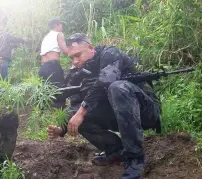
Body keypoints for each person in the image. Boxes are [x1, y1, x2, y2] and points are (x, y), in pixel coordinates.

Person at [46, 33, 161, 179]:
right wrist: (61, 128)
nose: (75, 61)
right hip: (119, 114)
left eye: (78, 55)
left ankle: (135, 158)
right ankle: (115, 150)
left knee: (117, 87)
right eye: (71, 58)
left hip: (146, 112)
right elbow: (75, 106)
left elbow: (106, 80)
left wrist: (81, 112)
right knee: (78, 111)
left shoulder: (110, 53)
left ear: (91, 47)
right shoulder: (81, 71)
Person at [38, 18, 70, 88]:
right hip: (53, 66)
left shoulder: (46, 37)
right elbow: (66, 50)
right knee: (59, 91)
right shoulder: (59, 34)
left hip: (43, 67)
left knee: (46, 93)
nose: (62, 27)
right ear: (56, 25)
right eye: (61, 25)